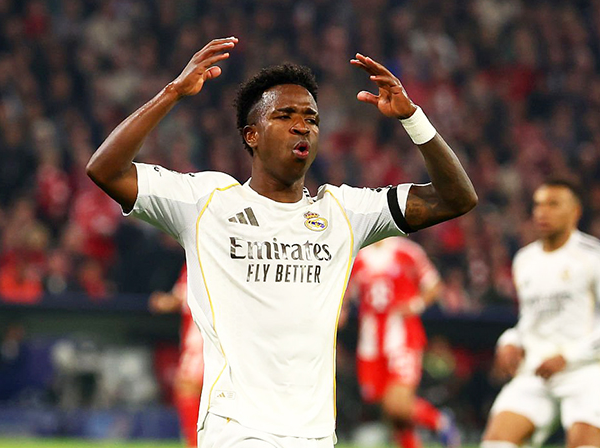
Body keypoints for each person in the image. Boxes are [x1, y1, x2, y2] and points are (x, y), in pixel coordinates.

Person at [86, 36, 477, 447]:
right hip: (237, 431)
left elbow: (456, 198)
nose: (302, 125)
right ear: (251, 135)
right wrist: (173, 93)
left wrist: (412, 117)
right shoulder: (206, 203)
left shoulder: (343, 213)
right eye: (285, 115)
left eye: (311, 118)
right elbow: (106, 169)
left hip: (315, 435)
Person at [482, 179, 600, 448]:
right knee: (495, 444)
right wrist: (510, 340)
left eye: (553, 204)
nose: (542, 212)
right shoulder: (524, 260)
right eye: (538, 205)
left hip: (586, 372)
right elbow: (530, 319)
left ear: (575, 212)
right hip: (535, 371)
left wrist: (568, 357)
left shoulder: (593, 257)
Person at [347, 238, 460, 448]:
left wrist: (416, 304)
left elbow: (433, 285)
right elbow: (345, 293)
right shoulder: (357, 255)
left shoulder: (406, 251)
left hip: (402, 338)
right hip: (370, 344)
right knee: (393, 414)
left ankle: (439, 421)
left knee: (397, 404)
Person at [150, 264, 203, 448]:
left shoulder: (201, 259)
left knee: (188, 387)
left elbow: (184, 297)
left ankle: (195, 443)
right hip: (198, 338)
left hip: (202, 338)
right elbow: (182, 296)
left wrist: (164, 302)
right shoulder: (189, 265)